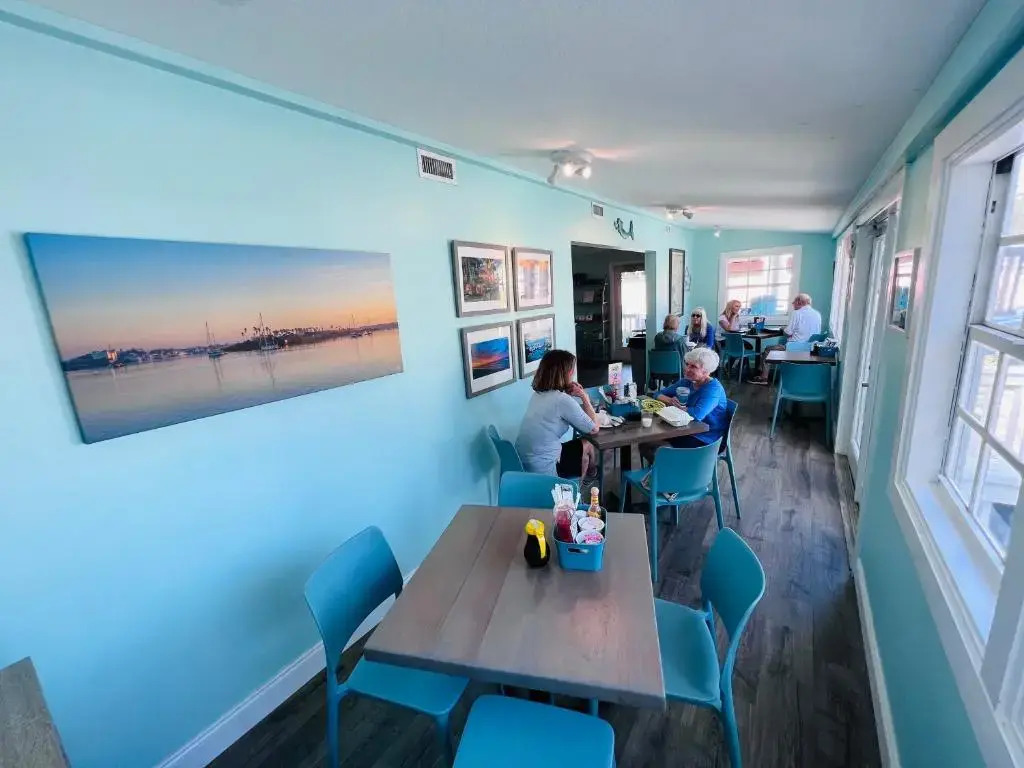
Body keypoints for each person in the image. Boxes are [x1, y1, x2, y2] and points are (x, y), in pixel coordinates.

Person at [515, 349, 600, 478]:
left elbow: (557, 410)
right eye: (572, 370)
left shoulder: (538, 394)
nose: (573, 373)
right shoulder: (562, 400)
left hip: (524, 461)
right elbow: (593, 429)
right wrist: (584, 397)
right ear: (567, 373)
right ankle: (586, 480)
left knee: (583, 446)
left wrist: (566, 393)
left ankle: (588, 477)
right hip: (543, 466)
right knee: (588, 446)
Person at [641, 347, 728, 461]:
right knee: (645, 443)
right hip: (685, 430)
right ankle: (663, 470)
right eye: (687, 364)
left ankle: (672, 470)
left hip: (706, 438)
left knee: (654, 448)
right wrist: (670, 400)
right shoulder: (687, 381)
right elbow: (657, 394)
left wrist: (677, 407)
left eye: (693, 366)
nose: (687, 369)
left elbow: (697, 414)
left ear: (706, 371)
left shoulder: (713, 389)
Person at [752, 292, 823, 384]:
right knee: (773, 348)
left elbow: (788, 332)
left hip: (795, 348)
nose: (792, 304)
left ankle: (763, 378)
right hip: (811, 349)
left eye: (794, 302)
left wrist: (783, 329)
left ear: (799, 302)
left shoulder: (797, 313)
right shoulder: (817, 314)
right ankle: (760, 372)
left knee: (768, 349)